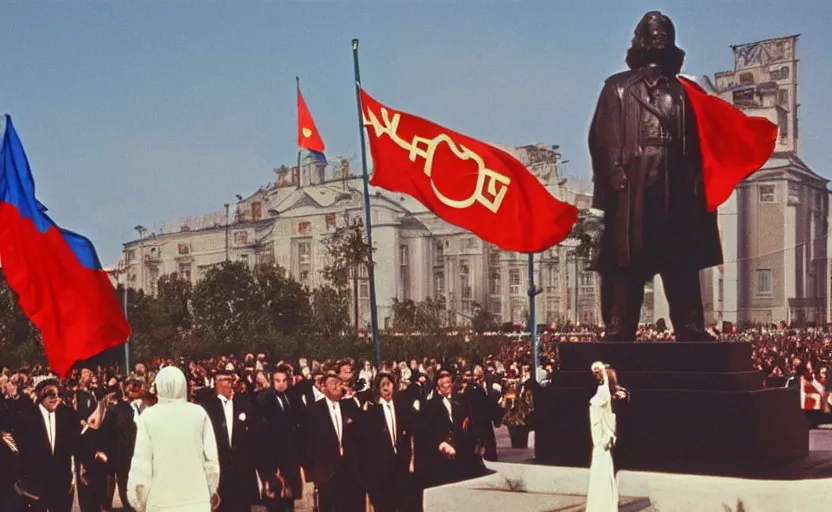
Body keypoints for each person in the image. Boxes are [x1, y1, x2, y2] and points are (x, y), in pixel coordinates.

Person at [588, 11, 722, 341]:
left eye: (665, 33)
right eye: (653, 33)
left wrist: (697, 182)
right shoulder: (618, 87)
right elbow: (601, 136)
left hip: (676, 181)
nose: (659, 37)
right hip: (634, 184)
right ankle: (620, 326)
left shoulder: (687, 92)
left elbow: (703, 138)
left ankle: (690, 326)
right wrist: (614, 172)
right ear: (642, 42)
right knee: (627, 260)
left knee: (681, 258)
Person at [127, 366, 220, 511]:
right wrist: (211, 490)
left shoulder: (149, 417)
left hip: (161, 501)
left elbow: (142, 466)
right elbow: (211, 461)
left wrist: (139, 502)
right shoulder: (198, 413)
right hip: (197, 500)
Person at [585, 362, 627, 512]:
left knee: (601, 469)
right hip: (605, 436)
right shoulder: (610, 393)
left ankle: (601, 505)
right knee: (604, 469)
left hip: (602, 437)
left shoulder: (603, 392)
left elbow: (596, 405)